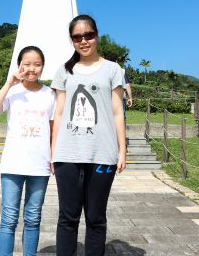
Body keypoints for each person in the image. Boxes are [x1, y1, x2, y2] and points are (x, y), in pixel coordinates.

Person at [51, 15, 126, 256]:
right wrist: (53, 151)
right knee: (68, 217)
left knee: (95, 217)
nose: (84, 41)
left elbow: (117, 112)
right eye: (77, 37)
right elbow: (59, 112)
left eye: (88, 35)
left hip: (103, 153)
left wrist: (121, 150)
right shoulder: (63, 71)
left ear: (97, 35)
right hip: (67, 153)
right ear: (72, 40)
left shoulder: (113, 70)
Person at [0, 46, 56, 256]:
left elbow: (53, 129)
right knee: (9, 218)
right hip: (13, 163)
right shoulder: (13, 92)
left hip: (39, 164)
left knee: (33, 218)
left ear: (43, 67)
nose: (32, 68)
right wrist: (9, 83)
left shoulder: (50, 94)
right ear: (19, 65)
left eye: (37, 64)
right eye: (26, 64)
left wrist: (53, 158)